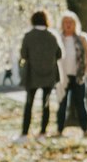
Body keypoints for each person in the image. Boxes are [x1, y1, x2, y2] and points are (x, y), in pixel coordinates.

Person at [17, 10, 63, 141]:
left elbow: (23, 55)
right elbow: (59, 54)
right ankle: (43, 132)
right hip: (49, 75)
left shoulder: (28, 36)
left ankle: (25, 132)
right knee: (46, 103)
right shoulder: (52, 36)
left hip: (32, 75)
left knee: (29, 104)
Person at [55, 11, 87, 136]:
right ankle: (59, 130)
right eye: (65, 22)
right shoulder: (58, 38)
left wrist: (86, 71)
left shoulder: (82, 38)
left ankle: (85, 129)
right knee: (62, 104)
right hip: (62, 77)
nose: (68, 24)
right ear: (62, 24)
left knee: (80, 103)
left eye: (71, 22)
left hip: (78, 76)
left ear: (75, 24)